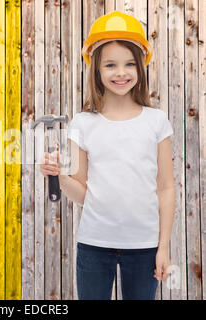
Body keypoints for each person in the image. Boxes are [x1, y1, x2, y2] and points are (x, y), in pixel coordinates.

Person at [39, 11, 176, 300]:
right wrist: (60, 175)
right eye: (110, 65)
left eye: (129, 64)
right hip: (93, 246)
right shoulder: (83, 123)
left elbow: (165, 188)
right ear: (97, 70)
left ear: (140, 68)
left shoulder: (156, 121)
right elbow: (83, 194)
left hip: (145, 246)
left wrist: (163, 247)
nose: (121, 72)